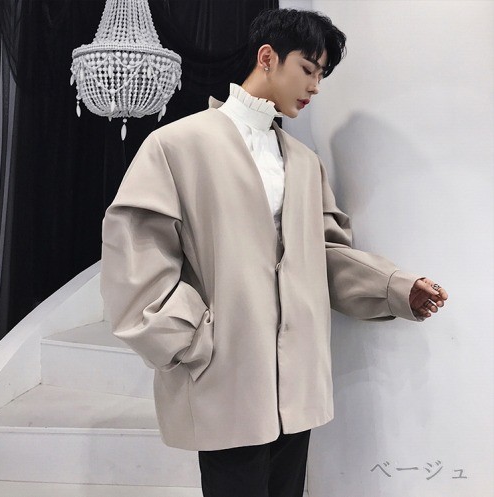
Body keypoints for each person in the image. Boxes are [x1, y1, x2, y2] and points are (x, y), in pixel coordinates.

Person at [100, 8, 448, 497]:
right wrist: (191, 339)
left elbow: (324, 253)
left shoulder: (304, 162)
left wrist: (395, 288)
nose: (315, 86)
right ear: (267, 57)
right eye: (308, 68)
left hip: (296, 379)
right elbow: (136, 252)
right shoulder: (178, 144)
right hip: (224, 372)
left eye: (321, 75)